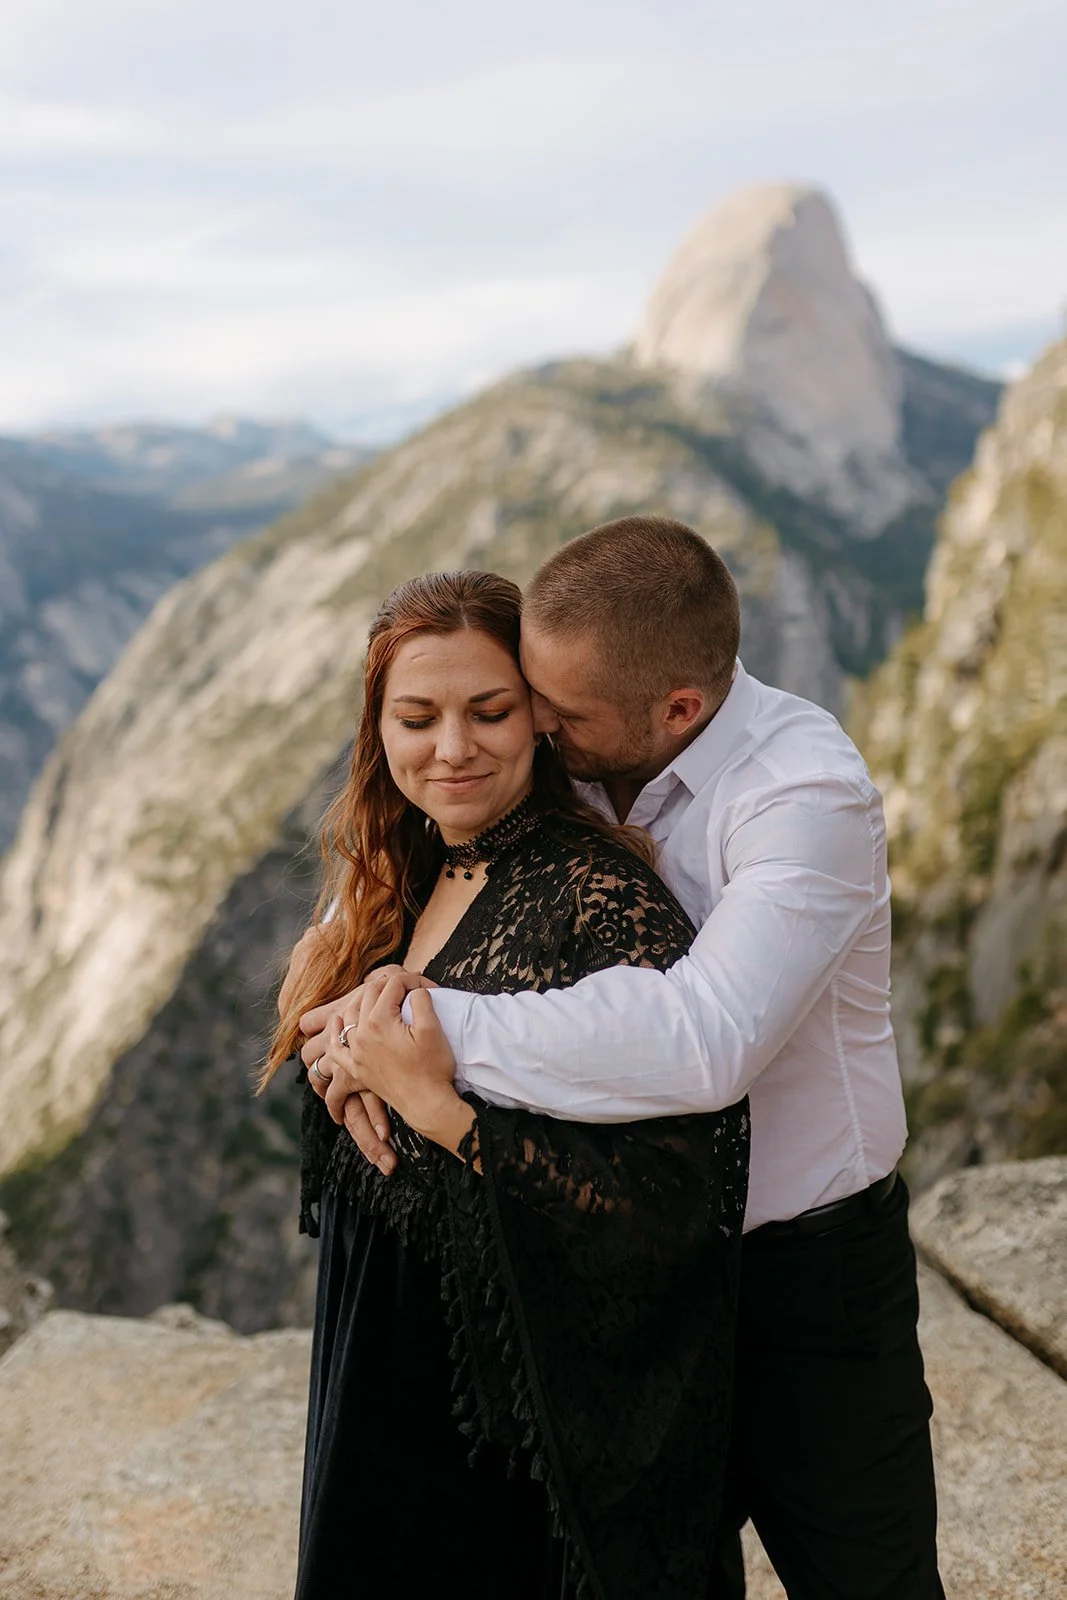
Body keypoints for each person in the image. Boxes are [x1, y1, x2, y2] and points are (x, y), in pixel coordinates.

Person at [303, 518, 945, 1600]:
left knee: (865, 1577)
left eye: (553, 713)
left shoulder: (804, 794)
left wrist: (420, 1039)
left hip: (793, 1276)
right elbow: (436, 849)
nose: (535, 730)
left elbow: (705, 1040)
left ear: (677, 711)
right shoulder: (590, 746)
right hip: (610, 1280)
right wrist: (344, 981)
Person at [265, 569, 750, 1600]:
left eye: (487, 712)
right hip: (382, 1366)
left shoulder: (598, 897)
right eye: (416, 718)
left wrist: (442, 1114)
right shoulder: (399, 872)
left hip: (507, 1425)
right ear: (377, 730)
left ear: (540, 718)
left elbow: (675, 1200)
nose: (451, 748)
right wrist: (332, 1048)